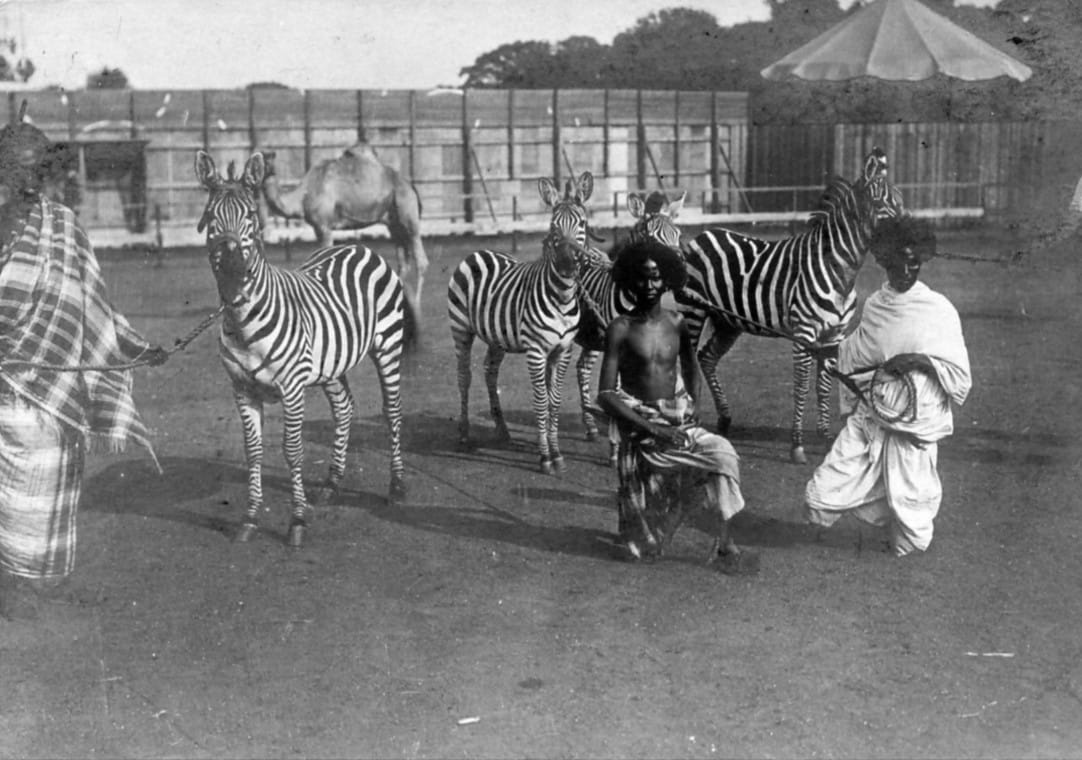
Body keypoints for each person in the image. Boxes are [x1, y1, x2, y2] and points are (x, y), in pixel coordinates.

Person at [0, 109, 168, 621]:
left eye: (37, 170)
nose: (30, 180)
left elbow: (91, 303)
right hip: (4, 389)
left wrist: (134, 347)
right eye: (17, 169)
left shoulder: (65, 227)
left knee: (45, 485)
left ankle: (32, 579)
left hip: (52, 394)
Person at [804, 215, 971, 557]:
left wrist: (917, 361)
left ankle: (896, 516)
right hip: (873, 419)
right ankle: (882, 504)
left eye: (914, 262)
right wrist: (826, 352)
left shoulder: (938, 309)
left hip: (914, 428)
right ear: (884, 260)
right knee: (817, 500)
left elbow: (959, 375)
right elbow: (857, 353)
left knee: (912, 542)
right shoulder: (877, 306)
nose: (907, 270)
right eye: (899, 261)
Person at [594, 237, 755, 571]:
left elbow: (691, 364)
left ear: (667, 279)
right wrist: (652, 428)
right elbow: (606, 394)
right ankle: (659, 527)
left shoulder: (677, 322)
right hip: (642, 431)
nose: (649, 285)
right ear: (630, 281)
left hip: (679, 423)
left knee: (722, 454)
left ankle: (725, 545)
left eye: (656, 277)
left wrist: (695, 402)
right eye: (642, 277)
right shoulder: (620, 329)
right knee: (643, 552)